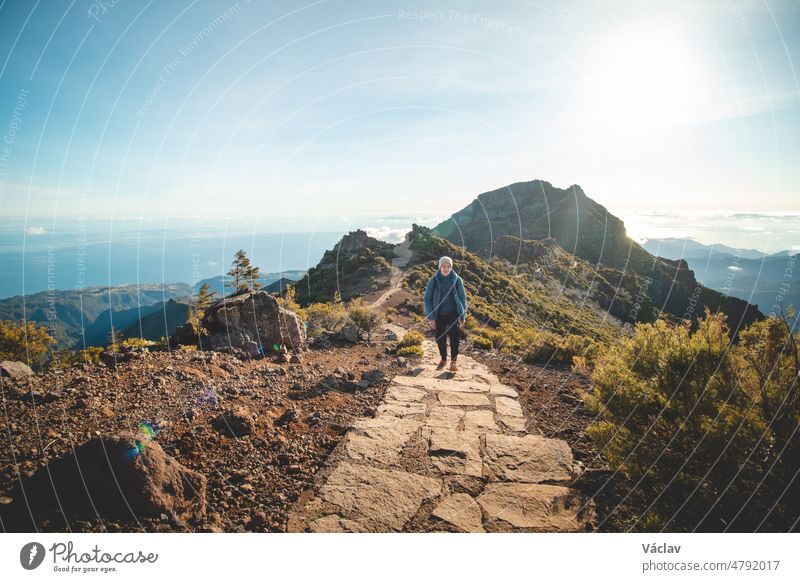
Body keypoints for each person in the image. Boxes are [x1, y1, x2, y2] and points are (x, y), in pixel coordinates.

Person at [423, 256, 467, 372]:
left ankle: (454, 361)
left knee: (455, 335)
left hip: (453, 312)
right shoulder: (433, 280)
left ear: (451, 267)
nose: (446, 269)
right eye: (444, 266)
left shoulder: (457, 280)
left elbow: (463, 298)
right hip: (439, 313)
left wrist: (462, 316)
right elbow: (427, 299)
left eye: (448, 266)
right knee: (439, 337)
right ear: (440, 267)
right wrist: (431, 318)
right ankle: (443, 358)